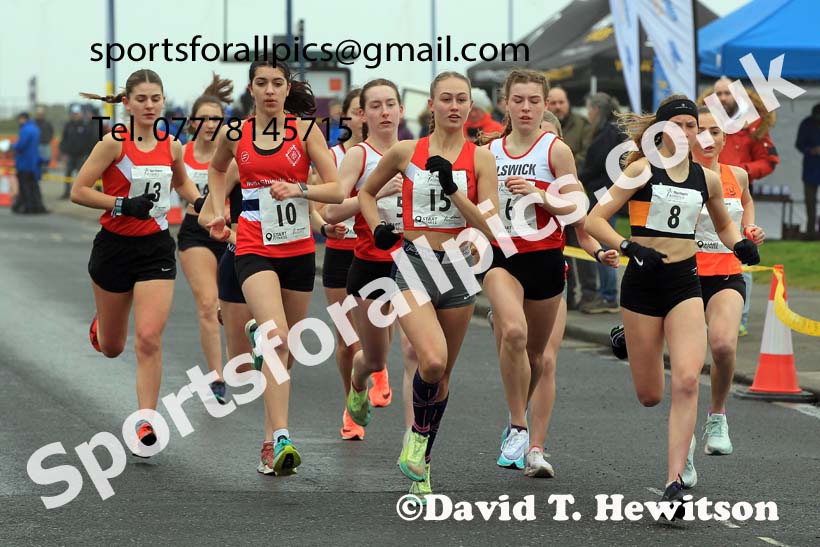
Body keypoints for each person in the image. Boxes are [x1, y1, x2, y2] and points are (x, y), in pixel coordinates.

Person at [585, 95, 760, 518]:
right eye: (678, 125)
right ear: (661, 131)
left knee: (686, 380)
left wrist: (739, 243)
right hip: (642, 284)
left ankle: (674, 483)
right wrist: (628, 246)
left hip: (684, 283)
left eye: (692, 126)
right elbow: (594, 219)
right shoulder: (642, 169)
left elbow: (723, 223)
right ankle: (629, 338)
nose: (687, 132)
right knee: (651, 395)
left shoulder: (706, 179)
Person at [358, 71, 499, 503]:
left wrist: (454, 189)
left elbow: (491, 225)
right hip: (415, 264)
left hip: (458, 270)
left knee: (442, 377)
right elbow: (366, 194)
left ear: (470, 105)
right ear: (431, 105)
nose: (455, 107)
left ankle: (421, 461)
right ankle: (417, 436)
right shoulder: (406, 151)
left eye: (462, 99)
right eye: (446, 99)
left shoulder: (481, 159)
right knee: (431, 360)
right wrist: (378, 227)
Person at [204, 59, 344, 476]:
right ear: (251, 89)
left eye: (277, 83)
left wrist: (299, 188)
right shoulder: (236, 133)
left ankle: (268, 443)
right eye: (262, 83)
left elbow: (336, 190)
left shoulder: (306, 131)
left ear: (287, 89)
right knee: (278, 339)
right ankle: (282, 437)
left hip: (298, 251)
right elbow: (216, 168)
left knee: (286, 353)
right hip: (252, 246)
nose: (269, 90)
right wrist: (218, 209)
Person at [70, 69, 202, 456]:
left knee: (147, 338)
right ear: (127, 103)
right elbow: (79, 191)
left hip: (155, 249)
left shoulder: (172, 146)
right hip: (113, 248)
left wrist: (201, 203)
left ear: (163, 102)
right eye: (141, 99)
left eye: (155, 98)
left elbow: (181, 182)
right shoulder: (113, 142)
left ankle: (146, 419)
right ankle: (102, 327)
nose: (149, 105)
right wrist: (122, 204)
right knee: (112, 347)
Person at [478, 68, 587, 474]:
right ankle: (518, 426)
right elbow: (474, 202)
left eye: (534, 101)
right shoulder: (488, 152)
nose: (526, 108)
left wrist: (542, 195)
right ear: (505, 104)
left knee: (537, 357)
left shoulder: (555, 151)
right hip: (501, 257)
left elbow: (577, 207)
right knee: (514, 332)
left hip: (545, 259)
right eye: (518, 100)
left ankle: (517, 416)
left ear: (544, 105)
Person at [323, 79, 418, 440]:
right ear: (362, 114)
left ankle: (414, 439)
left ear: (401, 110)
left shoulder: (417, 152)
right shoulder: (358, 156)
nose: (384, 112)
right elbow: (331, 212)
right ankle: (358, 384)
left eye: (390, 104)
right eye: (375, 106)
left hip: (412, 262)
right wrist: (372, 195)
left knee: (414, 350)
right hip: (369, 263)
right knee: (373, 358)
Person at [693, 106, 765, 458]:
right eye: (700, 131)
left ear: (725, 138)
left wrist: (749, 228)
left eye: (715, 131)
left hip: (726, 274)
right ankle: (682, 435)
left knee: (722, 346)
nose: (708, 138)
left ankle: (717, 416)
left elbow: (746, 203)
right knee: (688, 365)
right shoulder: (675, 178)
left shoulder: (737, 175)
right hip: (684, 278)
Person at [311, 88, 369, 440]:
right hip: (340, 250)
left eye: (368, 110)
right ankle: (352, 404)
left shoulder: (390, 155)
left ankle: (373, 374)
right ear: (346, 117)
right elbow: (313, 205)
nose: (364, 117)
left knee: (374, 333)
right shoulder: (331, 157)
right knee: (347, 339)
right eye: (358, 111)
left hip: (376, 253)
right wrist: (323, 227)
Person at [177, 74, 234, 404]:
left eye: (216, 119)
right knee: (208, 304)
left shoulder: (232, 155)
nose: (210, 125)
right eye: (204, 119)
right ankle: (217, 376)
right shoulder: (181, 154)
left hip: (231, 231)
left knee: (233, 306)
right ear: (192, 122)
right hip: (195, 232)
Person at [706, 77, 779, 336]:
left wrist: (743, 172)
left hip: (735, 196)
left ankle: (738, 316)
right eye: (718, 94)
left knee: (741, 251)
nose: (722, 98)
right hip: (702, 192)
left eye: (727, 93)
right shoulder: (703, 122)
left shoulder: (753, 125)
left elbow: (769, 160)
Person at [547, 86, 595, 310]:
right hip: (547, 197)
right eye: (554, 103)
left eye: (561, 102)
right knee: (560, 248)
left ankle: (589, 293)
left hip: (574, 185)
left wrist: (564, 165)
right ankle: (569, 293)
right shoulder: (539, 124)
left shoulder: (581, 124)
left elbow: (587, 152)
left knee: (580, 242)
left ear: (568, 103)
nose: (558, 107)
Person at [578, 92, 626, 314]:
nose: (588, 114)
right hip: (609, 194)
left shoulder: (606, 135)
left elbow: (594, 166)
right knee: (605, 242)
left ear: (596, 110)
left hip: (603, 196)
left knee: (604, 243)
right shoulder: (615, 131)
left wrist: (578, 178)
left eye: (589, 109)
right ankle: (607, 294)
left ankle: (608, 295)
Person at [11, 112, 47, 214]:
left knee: (25, 187)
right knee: (33, 186)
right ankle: (38, 207)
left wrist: (10, 146)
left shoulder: (25, 130)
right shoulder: (35, 129)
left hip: (24, 163)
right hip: (34, 163)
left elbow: (21, 146)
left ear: (23, 118)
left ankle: (28, 207)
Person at [60, 105, 97, 199]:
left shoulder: (85, 125)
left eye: (77, 113)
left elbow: (90, 140)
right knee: (68, 174)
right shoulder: (68, 125)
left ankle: (81, 193)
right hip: (71, 155)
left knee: (81, 175)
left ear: (81, 114)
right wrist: (64, 152)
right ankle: (67, 192)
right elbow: (64, 139)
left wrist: (87, 153)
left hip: (82, 155)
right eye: (74, 113)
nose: (75, 115)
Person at [796, 103, 820, 239]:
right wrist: (811, 150)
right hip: (811, 169)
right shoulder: (806, 124)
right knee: (810, 201)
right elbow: (799, 144)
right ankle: (811, 232)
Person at [34, 106, 54, 173]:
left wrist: (48, 139)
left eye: (41, 114)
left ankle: (45, 171)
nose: (40, 115)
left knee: (46, 159)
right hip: (37, 145)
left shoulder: (47, 123)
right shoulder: (34, 123)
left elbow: (51, 132)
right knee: (37, 160)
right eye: (38, 114)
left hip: (46, 144)